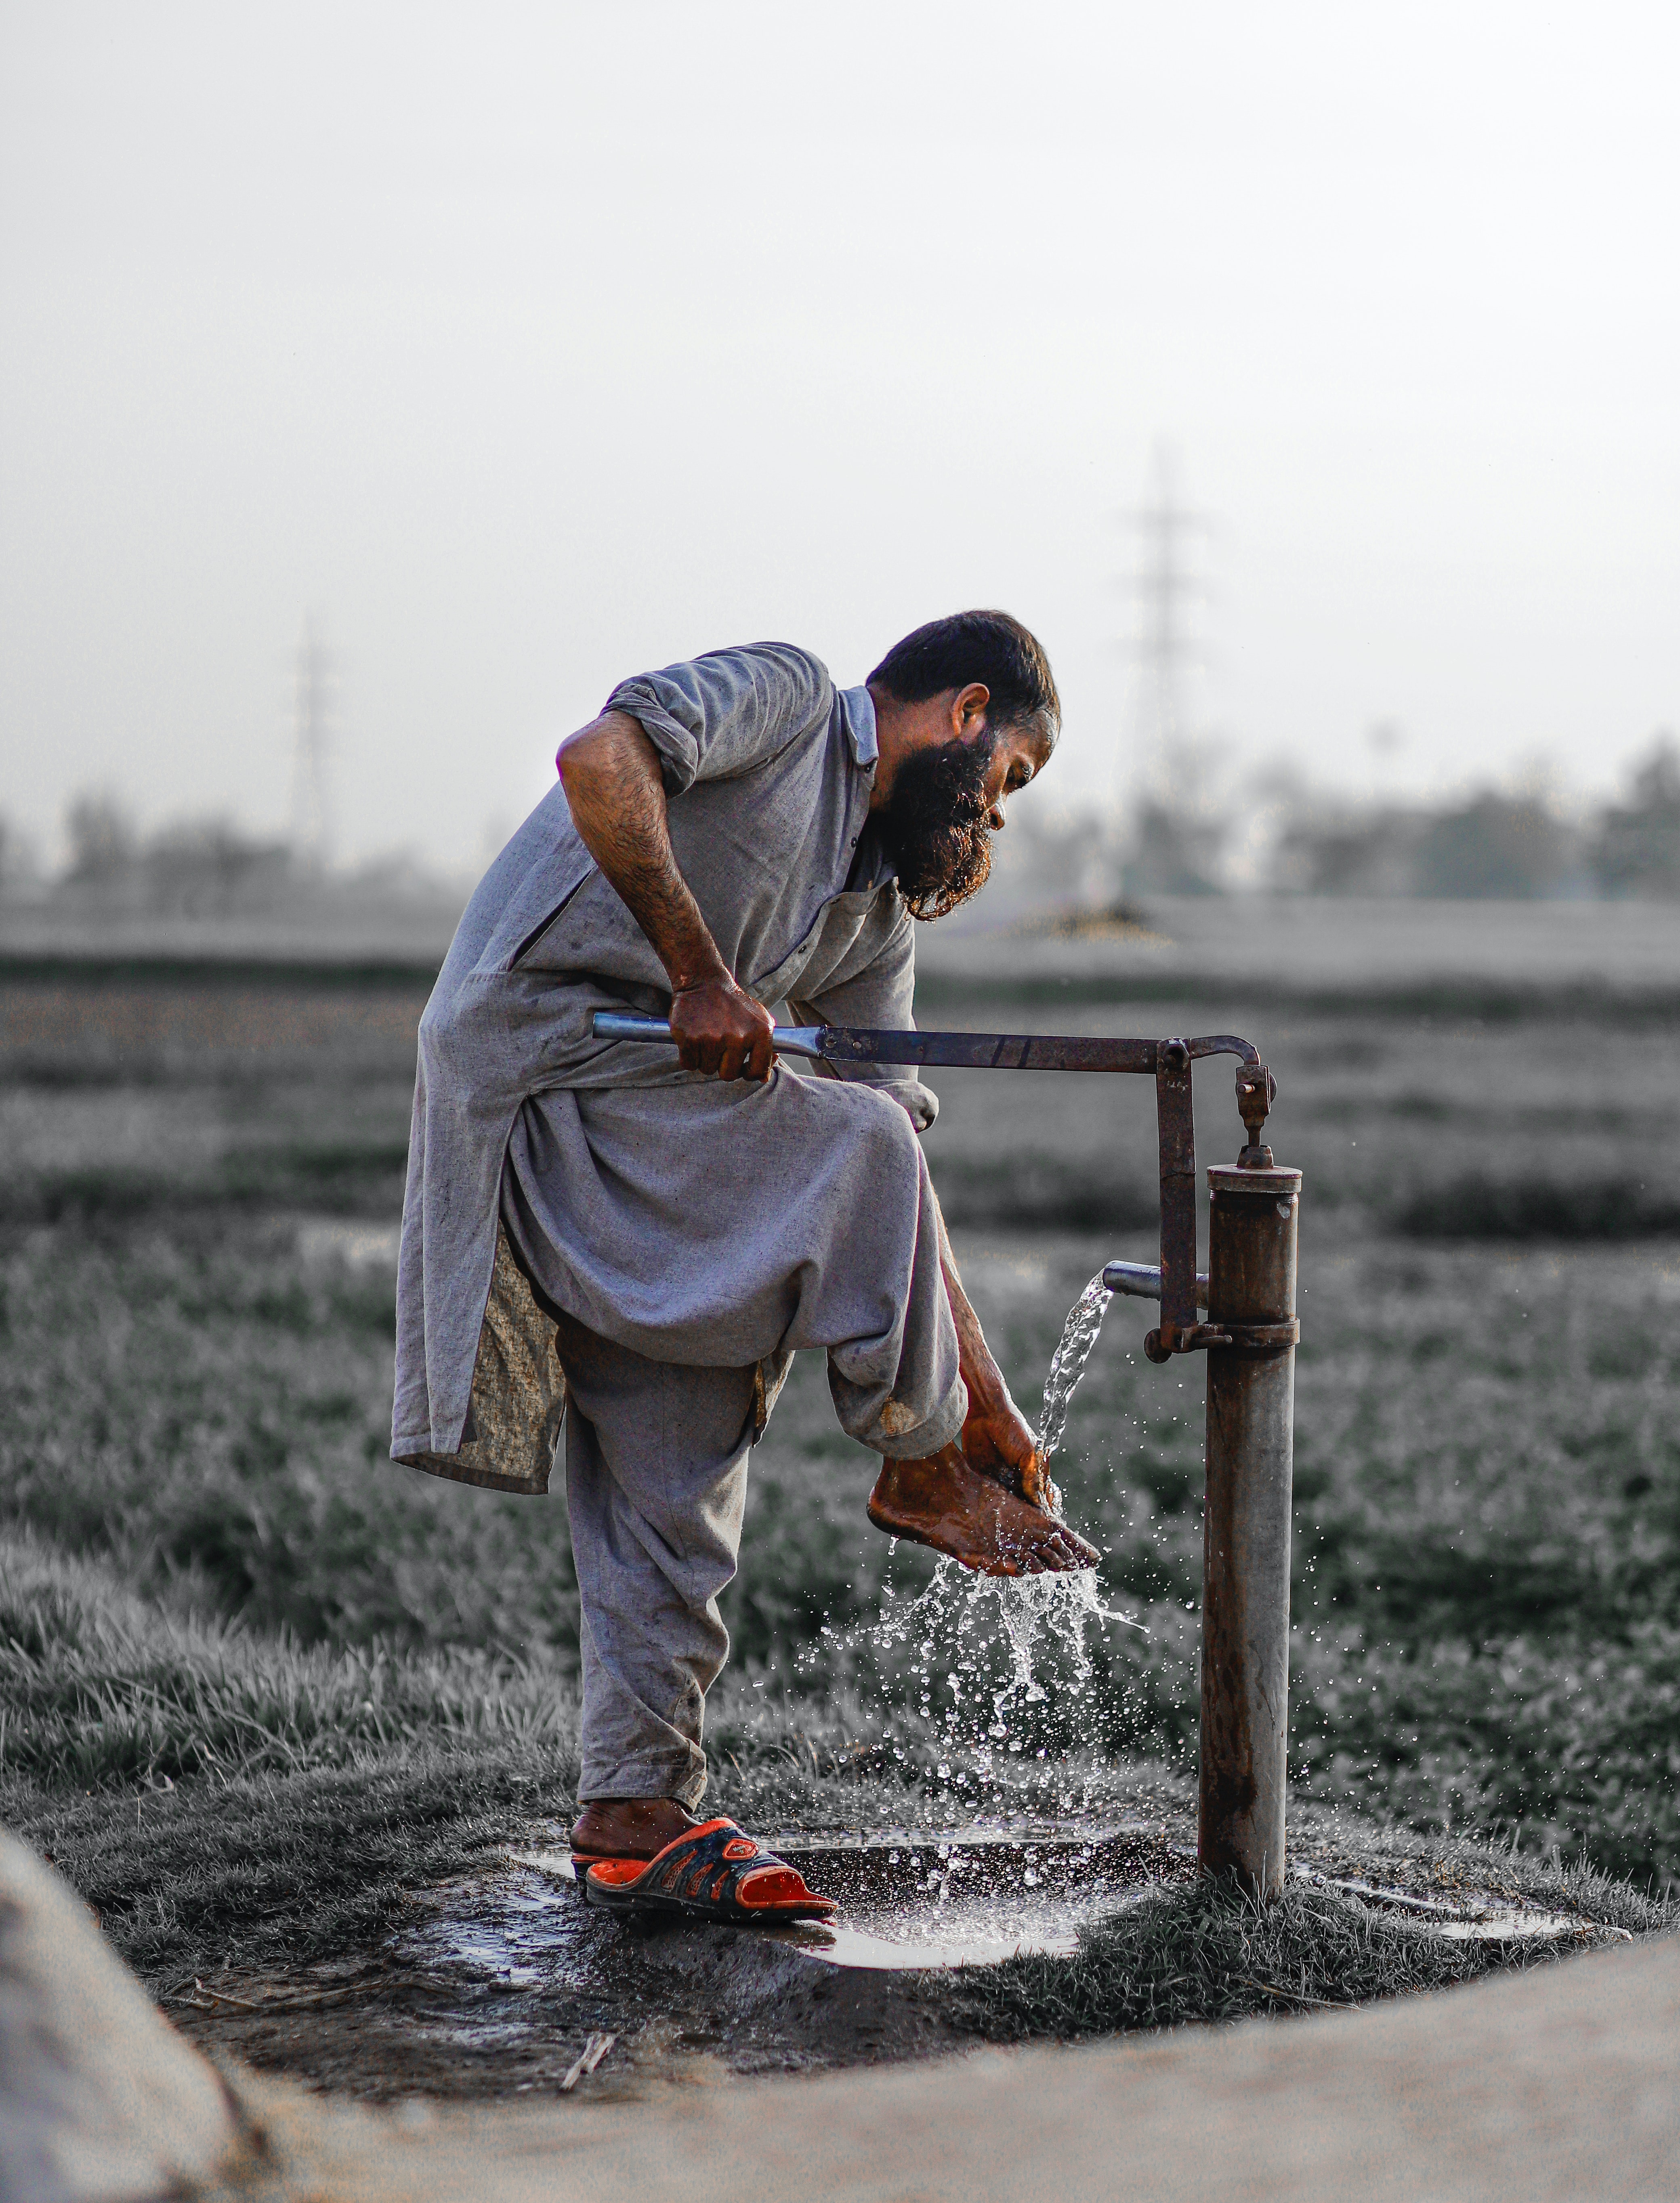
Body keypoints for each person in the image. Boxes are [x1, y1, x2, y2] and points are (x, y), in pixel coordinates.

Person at [391, 609, 1097, 1918]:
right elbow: (598, 762)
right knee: (860, 1143)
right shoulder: (783, 701)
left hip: (663, 1135)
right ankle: (917, 1469)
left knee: (687, 1436)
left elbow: (899, 1161)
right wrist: (702, 974)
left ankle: (636, 1815)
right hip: (551, 1082)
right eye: (1011, 779)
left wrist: (984, 1391)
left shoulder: (872, 918)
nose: (998, 818)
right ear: (966, 711)